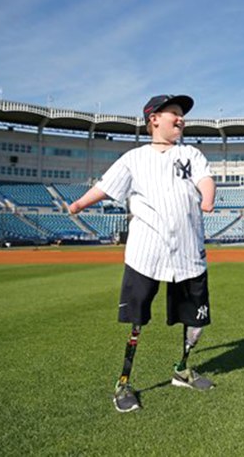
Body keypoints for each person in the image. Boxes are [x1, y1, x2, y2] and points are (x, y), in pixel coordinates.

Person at [69, 94, 216, 412]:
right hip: (145, 254)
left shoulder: (191, 153)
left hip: (189, 253)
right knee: (136, 320)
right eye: (174, 113)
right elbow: (107, 186)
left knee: (195, 320)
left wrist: (207, 197)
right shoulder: (133, 159)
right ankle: (123, 383)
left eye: (182, 115)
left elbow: (206, 179)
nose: (181, 119)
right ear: (154, 119)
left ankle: (182, 369)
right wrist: (80, 203)